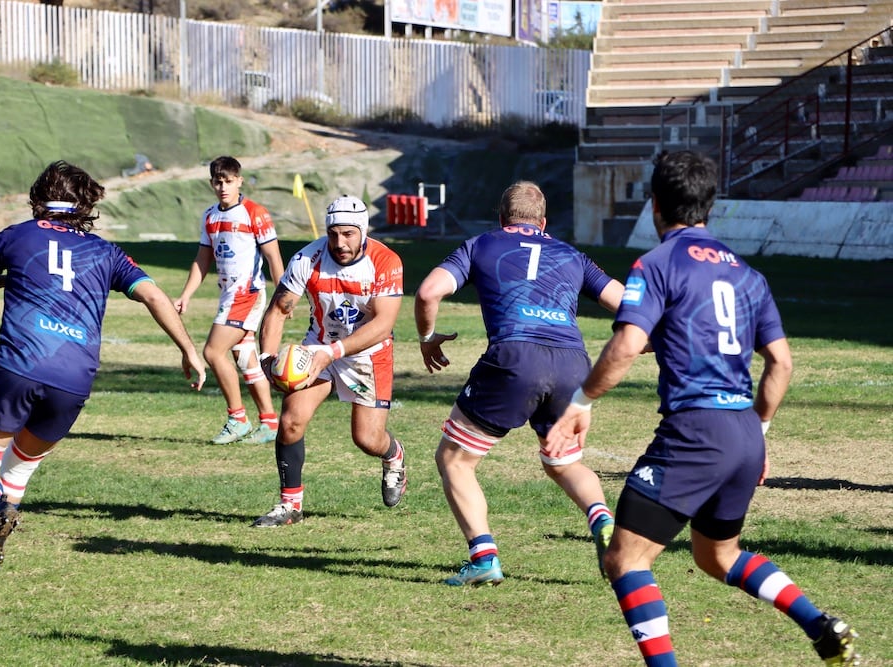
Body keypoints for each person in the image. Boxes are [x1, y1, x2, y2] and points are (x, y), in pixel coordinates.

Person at [544, 150, 859, 666]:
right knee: (718, 556)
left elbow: (626, 345)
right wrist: (759, 432)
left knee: (624, 559)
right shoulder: (748, 274)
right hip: (742, 431)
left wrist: (580, 401)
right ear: (710, 205)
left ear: (654, 206)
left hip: (697, 430)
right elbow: (780, 362)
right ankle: (819, 624)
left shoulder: (657, 264)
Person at [0, 160, 206, 582]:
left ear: (37, 198)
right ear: (86, 205)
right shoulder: (106, 252)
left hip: (19, 365)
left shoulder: (18, 235)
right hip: (74, 378)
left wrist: (7, 279)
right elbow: (154, 296)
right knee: (19, 468)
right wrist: (189, 350)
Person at [413, 180, 623, 587]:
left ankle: (484, 556)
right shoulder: (572, 254)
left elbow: (427, 293)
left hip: (515, 356)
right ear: (543, 223)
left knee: (455, 461)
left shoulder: (481, 245)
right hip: (572, 365)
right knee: (564, 463)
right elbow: (626, 303)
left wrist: (427, 338)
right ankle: (603, 519)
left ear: (501, 218)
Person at [251, 195, 406, 527]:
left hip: (368, 354)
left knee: (367, 439)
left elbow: (383, 324)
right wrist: (266, 357)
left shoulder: (385, 261)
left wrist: (332, 353)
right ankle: (290, 505)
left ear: (362, 231)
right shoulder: (308, 258)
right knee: (291, 421)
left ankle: (393, 455)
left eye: (348, 234)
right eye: (334, 233)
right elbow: (279, 309)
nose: (340, 242)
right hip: (318, 345)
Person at [175, 156, 286, 445]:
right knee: (245, 359)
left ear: (239, 180)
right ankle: (270, 423)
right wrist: (186, 294)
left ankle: (238, 418)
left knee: (213, 352)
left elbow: (274, 257)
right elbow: (202, 260)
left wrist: (285, 296)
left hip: (246, 295)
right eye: (217, 181)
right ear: (211, 183)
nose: (223, 187)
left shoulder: (255, 213)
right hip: (227, 295)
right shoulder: (210, 216)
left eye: (228, 181)